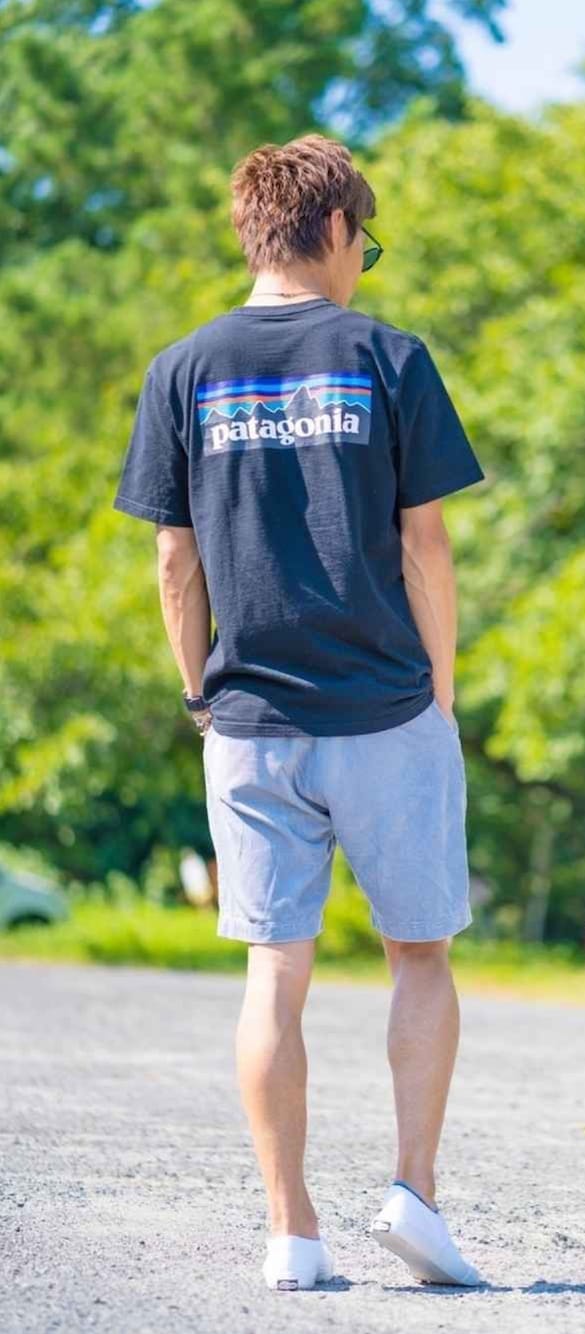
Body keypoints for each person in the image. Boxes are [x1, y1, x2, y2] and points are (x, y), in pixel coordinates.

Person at [113, 134, 485, 1292]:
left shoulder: (183, 368)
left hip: (251, 719)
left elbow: (176, 561)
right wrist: (441, 689)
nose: (364, 263)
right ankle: (413, 1193)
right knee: (419, 954)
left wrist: (199, 689)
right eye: (366, 242)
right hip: (387, 707)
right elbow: (426, 545)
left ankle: (292, 1230)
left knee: (275, 968)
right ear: (333, 229)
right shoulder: (389, 355)